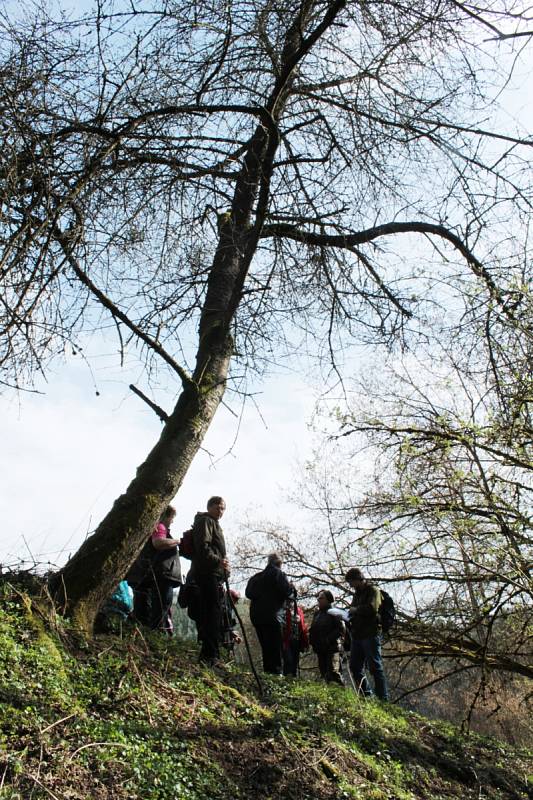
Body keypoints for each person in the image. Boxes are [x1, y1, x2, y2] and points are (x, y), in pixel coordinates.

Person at [187, 496, 229, 665]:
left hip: (214, 573)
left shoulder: (214, 523)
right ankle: (210, 654)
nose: (221, 512)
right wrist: (218, 561)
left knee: (214, 612)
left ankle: (210, 652)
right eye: (219, 508)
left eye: (223, 509)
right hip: (207, 573)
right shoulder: (205, 521)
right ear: (210, 507)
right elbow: (203, 547)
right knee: (212, 611)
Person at [127, 505, 180, 634]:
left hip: (149, 574)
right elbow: (158, 542)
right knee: (161, 606)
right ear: (167, 516)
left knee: (147, 607)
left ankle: (145, 633)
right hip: (161, 574)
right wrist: (177, 541)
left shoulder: (151, 527)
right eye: (172, 518)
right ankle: (156, 635)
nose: (172, 521)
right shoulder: (160, 526)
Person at [245, 553, 293, 675]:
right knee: (275, 648)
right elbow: (287, 592)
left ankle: (267, 673)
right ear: (279, 563)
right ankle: (276, 674)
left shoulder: (256, 577)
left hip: (257, 617)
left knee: (265, 646)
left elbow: (248, 593)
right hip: (273, 616)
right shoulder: (279, 574)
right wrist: (291, 589)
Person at [345, 568, 389, 700]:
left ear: (358, 579)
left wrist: (355, 609)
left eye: (351, 582)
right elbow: (353, 611)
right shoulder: (356, 594)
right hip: (357, 635)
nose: (351, 586)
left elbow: (372, 608)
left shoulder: (373, 591)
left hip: (371, 634)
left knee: (375, 666)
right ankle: (366, 694)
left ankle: (383, 697)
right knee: (355, 666)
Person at [308, 590, 345, 684]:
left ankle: (341, 695)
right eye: (318, 598)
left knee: (334, 674)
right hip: (320, 649)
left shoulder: (334, 612)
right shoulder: (317, 614)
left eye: (321, 598)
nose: (318, 599)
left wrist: (328, 640)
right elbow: (313, 629)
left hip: (333, 649)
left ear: (328, 600)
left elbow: (340, 629)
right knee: (324, 674)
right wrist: (312, 641)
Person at [282, 589, 309, 677]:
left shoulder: (299, 611)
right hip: (286, 640)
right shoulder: (282, 609)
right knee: (288, 661)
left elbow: (303, 627)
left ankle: (293, 680)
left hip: (296, 640)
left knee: (294, 663)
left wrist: (305, 642)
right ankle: (287, 679)